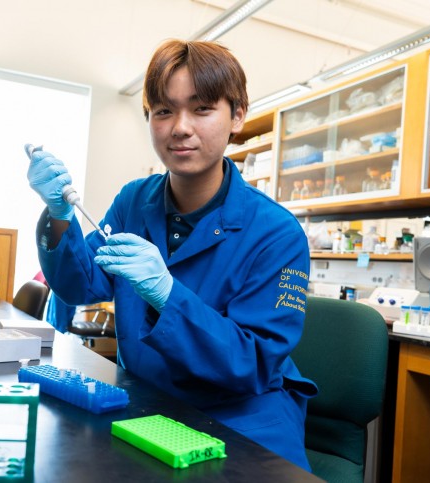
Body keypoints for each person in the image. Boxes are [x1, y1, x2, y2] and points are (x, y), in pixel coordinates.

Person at [26, 39, 317, 472]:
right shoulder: (133, 202)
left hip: (243, 417)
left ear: (237, 116)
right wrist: (59, 216)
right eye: (163, 110)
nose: (180, 127)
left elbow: (250, 364)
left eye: (202, 109)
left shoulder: (276, 233)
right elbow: (78, 284)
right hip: (148, 402)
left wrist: (167, 295)